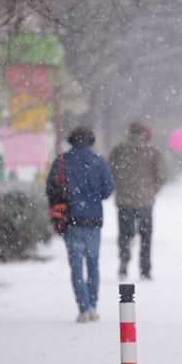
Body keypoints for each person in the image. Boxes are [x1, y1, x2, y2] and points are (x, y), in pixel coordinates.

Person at [46, 126, 115, 323]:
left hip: (71, 221)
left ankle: (83, 308)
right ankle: (93, 306)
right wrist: (93, 196)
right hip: (93, 220)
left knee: (76, 265)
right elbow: (108, 190)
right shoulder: (99, 161)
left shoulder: (62, 161)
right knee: (93, 263)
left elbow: (50, 187)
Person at [109, 121, 168, 280]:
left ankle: (124, 258)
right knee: (146, 235)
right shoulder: (152, 152)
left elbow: (110, 172)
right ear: (144, 134)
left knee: (124, 233)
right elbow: (161, 176)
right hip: (145, 201)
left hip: (124, 200)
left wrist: (120, 187)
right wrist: (152, 190)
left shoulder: (119, 150)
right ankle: (145, 268)